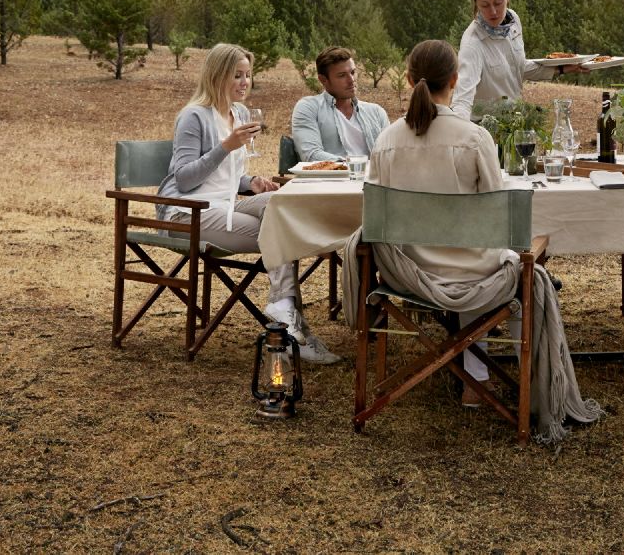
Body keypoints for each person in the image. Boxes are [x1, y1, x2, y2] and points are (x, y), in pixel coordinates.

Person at [349, 39, 601, 442]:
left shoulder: (386, 140)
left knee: (474, 257)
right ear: (455, 80)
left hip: (408, 275)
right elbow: (494, 216)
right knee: (520, 272)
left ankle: (474, 377)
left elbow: (376, 213)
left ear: (411, 79)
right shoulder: (473, 138)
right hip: (473, 275)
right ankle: (524, 390)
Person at [156, 43, 339, 364]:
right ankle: (292, 326)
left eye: (248, 75)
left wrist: (250, 183)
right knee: (283, 232)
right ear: (217, 76)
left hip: (224, 205)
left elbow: (227, 177)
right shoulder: (193, 116)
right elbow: (184, 179)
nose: (245, 82)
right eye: (237, 75)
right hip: (188, 213)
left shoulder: (238, 113)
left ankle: (284, 311)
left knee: (280, 203)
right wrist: (226, 146)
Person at [451, 0, 579, 120]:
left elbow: (518, 68)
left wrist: (561, 68)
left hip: (515, 123)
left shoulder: (514, 22)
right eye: (485, 5)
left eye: (498, 3)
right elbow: (462, 99)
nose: (493, 11)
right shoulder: (472, 44)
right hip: (485, 129)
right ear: (476, 4)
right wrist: (461, 134)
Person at [289, 46, 389, 163]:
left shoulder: (376, 112)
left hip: (372, 179)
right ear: (323, 80)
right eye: (342, 75)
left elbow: (391, 154)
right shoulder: (309, 108)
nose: (351, 80)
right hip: (328, 180)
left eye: (353, 72)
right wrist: (354, 166)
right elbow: (311, 155)